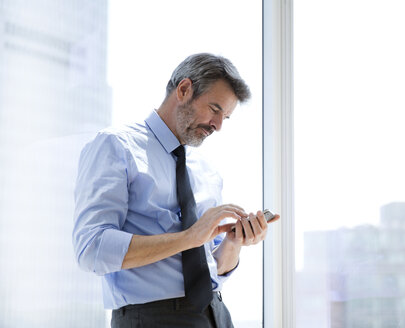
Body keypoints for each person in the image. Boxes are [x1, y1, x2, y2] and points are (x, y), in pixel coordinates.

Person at [72, 53, 279, 328]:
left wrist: (234, 242)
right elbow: (91, 249)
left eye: (225, 118)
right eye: (215, 109)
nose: (217, 126)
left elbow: (210, 267)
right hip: (151, 318)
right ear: (184, 90)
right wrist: (190, 237)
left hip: (215, 315)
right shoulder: (116, 147)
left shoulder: (206, 171)